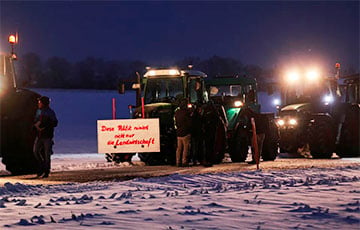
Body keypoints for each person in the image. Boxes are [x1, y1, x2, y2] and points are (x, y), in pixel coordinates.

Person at [33, 96, 58, 178]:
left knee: (47, 155)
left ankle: (46, 171)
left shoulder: (50, 112)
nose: (38, 104)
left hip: (47, 136)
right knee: (36, 151)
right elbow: (35, 120)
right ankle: (41, 168)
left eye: (39, 102)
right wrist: (36, 125)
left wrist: (46, 125)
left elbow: (55, 123)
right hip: (39, 135)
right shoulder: (38, 111)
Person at [174, 99, 192, 167]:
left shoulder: (177, 112)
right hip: (185, 132)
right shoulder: (186, 113)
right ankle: (184, 161)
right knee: (185, 148)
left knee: (179, 148)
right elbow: (189, 122)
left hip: (178, 132)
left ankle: (178, 161)